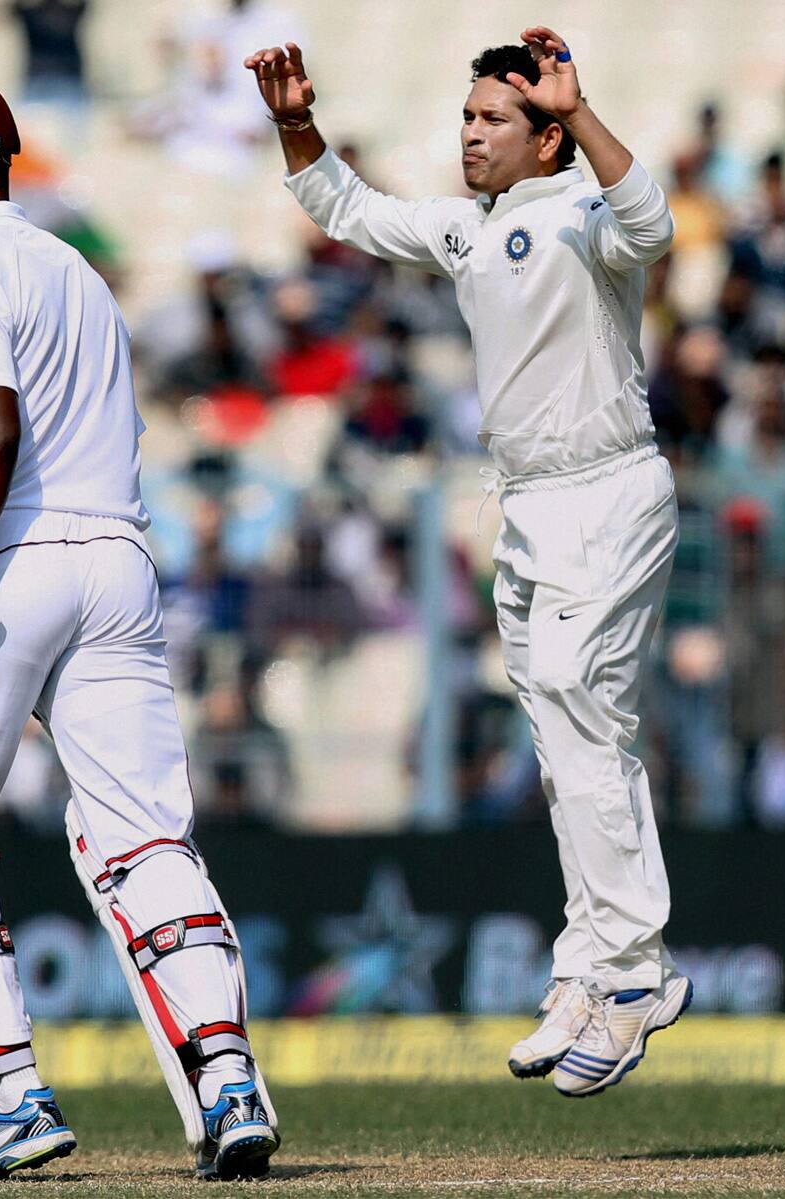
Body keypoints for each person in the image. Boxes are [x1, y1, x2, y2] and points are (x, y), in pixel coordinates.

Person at [0, 68, 278, 1181]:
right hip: (122, 565)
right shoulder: (80, 269)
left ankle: (9, 1098)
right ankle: (228, 1083)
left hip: (12, 566)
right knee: (142, 836)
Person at [246, 28, 693, 1097]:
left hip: (608, 486)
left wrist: (579, 109)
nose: (470, 135)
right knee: (562, 737)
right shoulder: (467, 228)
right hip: (530, 505)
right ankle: (590, 969)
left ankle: (635, 974)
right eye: (465, 117)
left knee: (585, 705)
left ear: (547, 141)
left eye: (494, 119)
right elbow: (351, 210)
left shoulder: (584, 215)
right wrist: (295, 122)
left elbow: (655, 223)